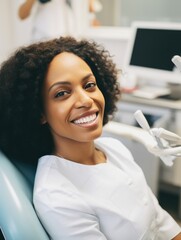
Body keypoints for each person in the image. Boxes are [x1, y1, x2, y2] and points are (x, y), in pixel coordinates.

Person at [0, 37, 181, 240]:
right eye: (62, 93)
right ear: (39, 112)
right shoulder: (58, 196)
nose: (86, 100)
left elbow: (160, 220)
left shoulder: (114, 148)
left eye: (89, 85)